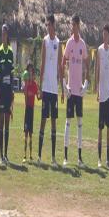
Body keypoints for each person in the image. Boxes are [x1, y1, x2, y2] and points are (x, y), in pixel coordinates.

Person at [62, 14, 89, 166]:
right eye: (71, 25)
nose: (72, 27)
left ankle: (79, 158)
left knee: (80, 122)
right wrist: (65, 84)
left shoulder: (83, 45)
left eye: (74, 25)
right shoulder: (69, 43)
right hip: (71, 91)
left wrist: (86, 84)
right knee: (68, 121)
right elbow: (63, 61)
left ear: (78, 26)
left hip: (79, 91)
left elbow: (87, 64)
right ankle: (65, 157)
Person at [37, 14, 61, 164]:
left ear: (53, 25)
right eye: (46, 25)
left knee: (53, 121)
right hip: (46, 87)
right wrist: (40, 87)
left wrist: (62, 86)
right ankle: (39, 156)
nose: (47, 27)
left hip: (54, 89)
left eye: (48, 24)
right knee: (43, 120)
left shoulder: (58, 42)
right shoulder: (45, 41)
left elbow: (60, 64)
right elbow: (42, 64)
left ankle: (53, 157)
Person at [0, 24, 15, 165]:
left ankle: (6, 154)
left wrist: (13, 90)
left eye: (5, 33)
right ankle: (1, 155)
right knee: (1, 122)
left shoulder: (11, 52)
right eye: (2, 33)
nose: (3, 35)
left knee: (7, 122)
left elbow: (12, 73)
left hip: (9, 92)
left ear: (8, 35)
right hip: (2, 91)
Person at [96, 26, 109, 168]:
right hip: (101, 93)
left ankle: (108, 158)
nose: (104, 37)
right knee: (100, 127)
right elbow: (97, 69)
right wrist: (97, 89)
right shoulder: (99, 50)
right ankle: (99, 159)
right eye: (103, 34)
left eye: (106, 34)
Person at [22, 64, 40, 164]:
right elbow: (25, 93)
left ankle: (30, 155)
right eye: (29, 71)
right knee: (25, 132)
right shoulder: (27, 84)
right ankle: (24, 155)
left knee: (31, 134)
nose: (30, 73)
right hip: (27, 109)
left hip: (32, 110)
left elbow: (38, 97)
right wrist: (26, 83)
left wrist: (42, 94)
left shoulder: (34, 84)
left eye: (32, 72)